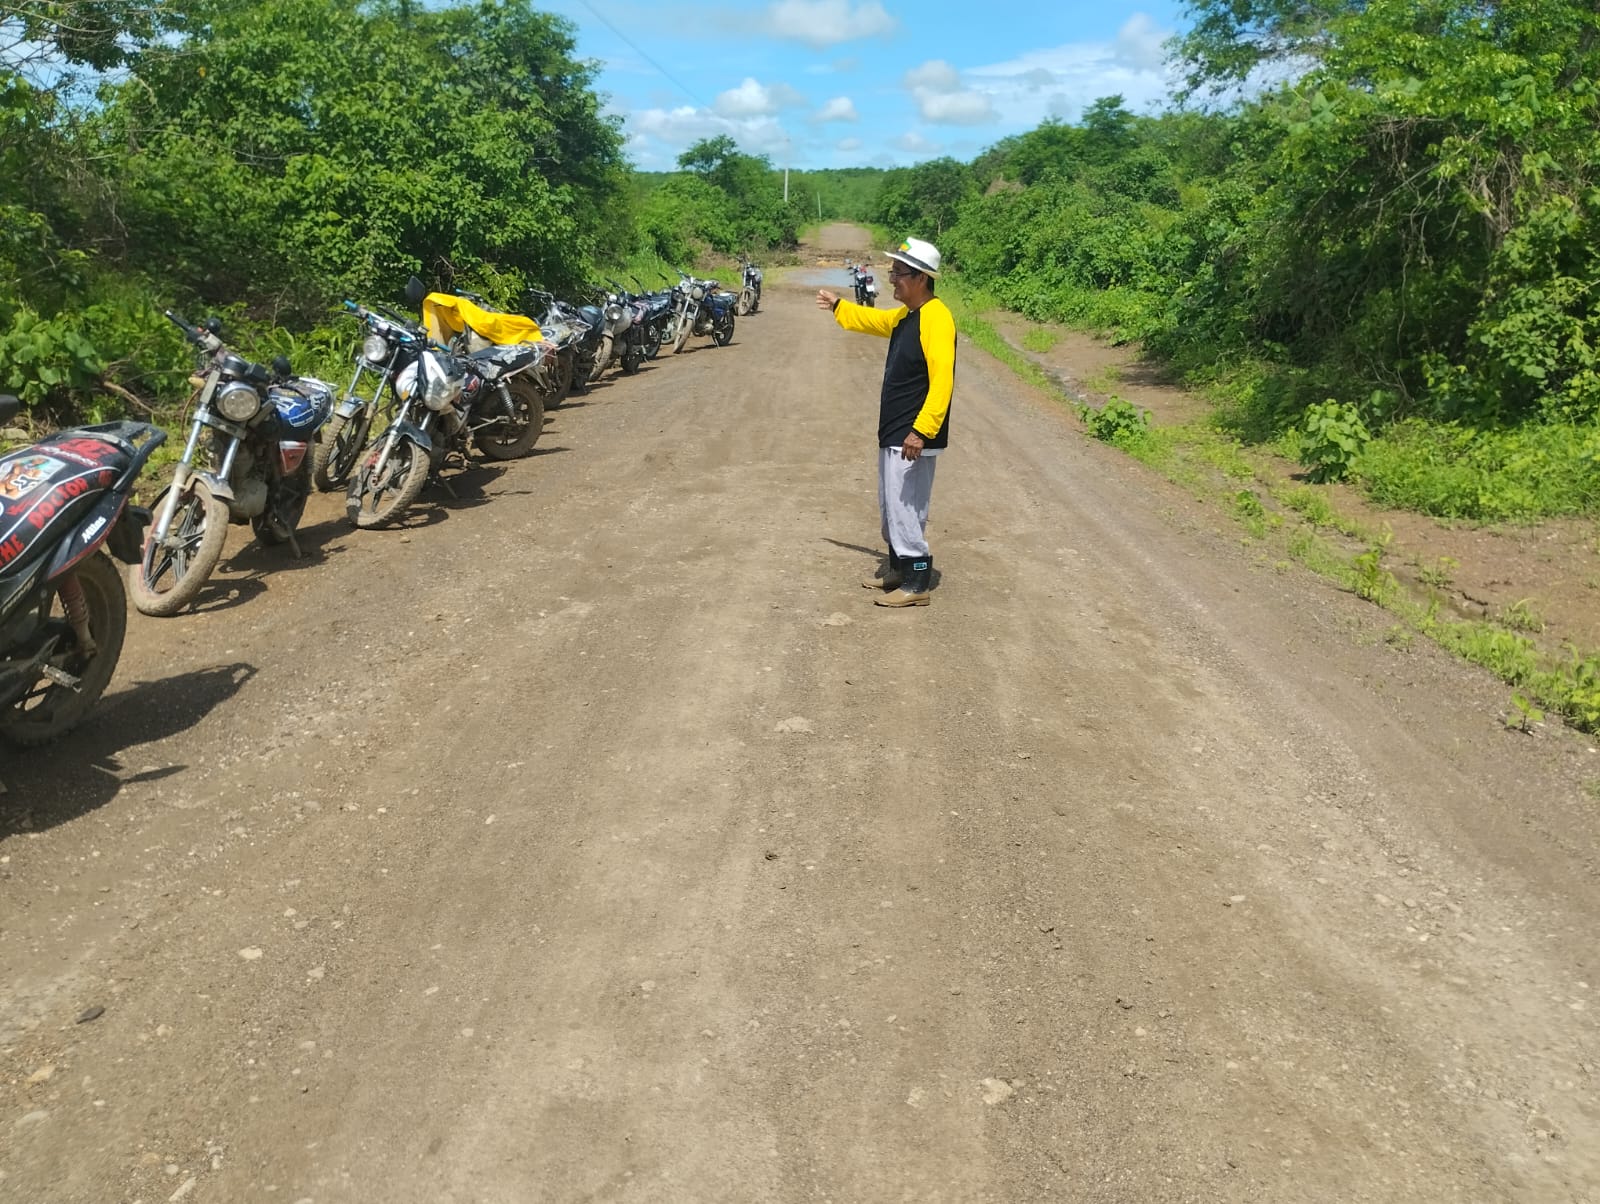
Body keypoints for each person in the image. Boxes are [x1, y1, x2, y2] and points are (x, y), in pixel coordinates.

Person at [815, 237, 954, 607]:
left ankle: (917, 583)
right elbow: (875, 320)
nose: (892, 279)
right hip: (896, 430)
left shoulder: (937, 318)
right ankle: (898, 569)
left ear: (921, 278)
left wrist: (921, 430)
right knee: (891, 504)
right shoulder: (908, 316)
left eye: (899, 273)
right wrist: (840, 307)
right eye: (892, 272)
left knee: (907, 507)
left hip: (914, 434)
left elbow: (942, 381)